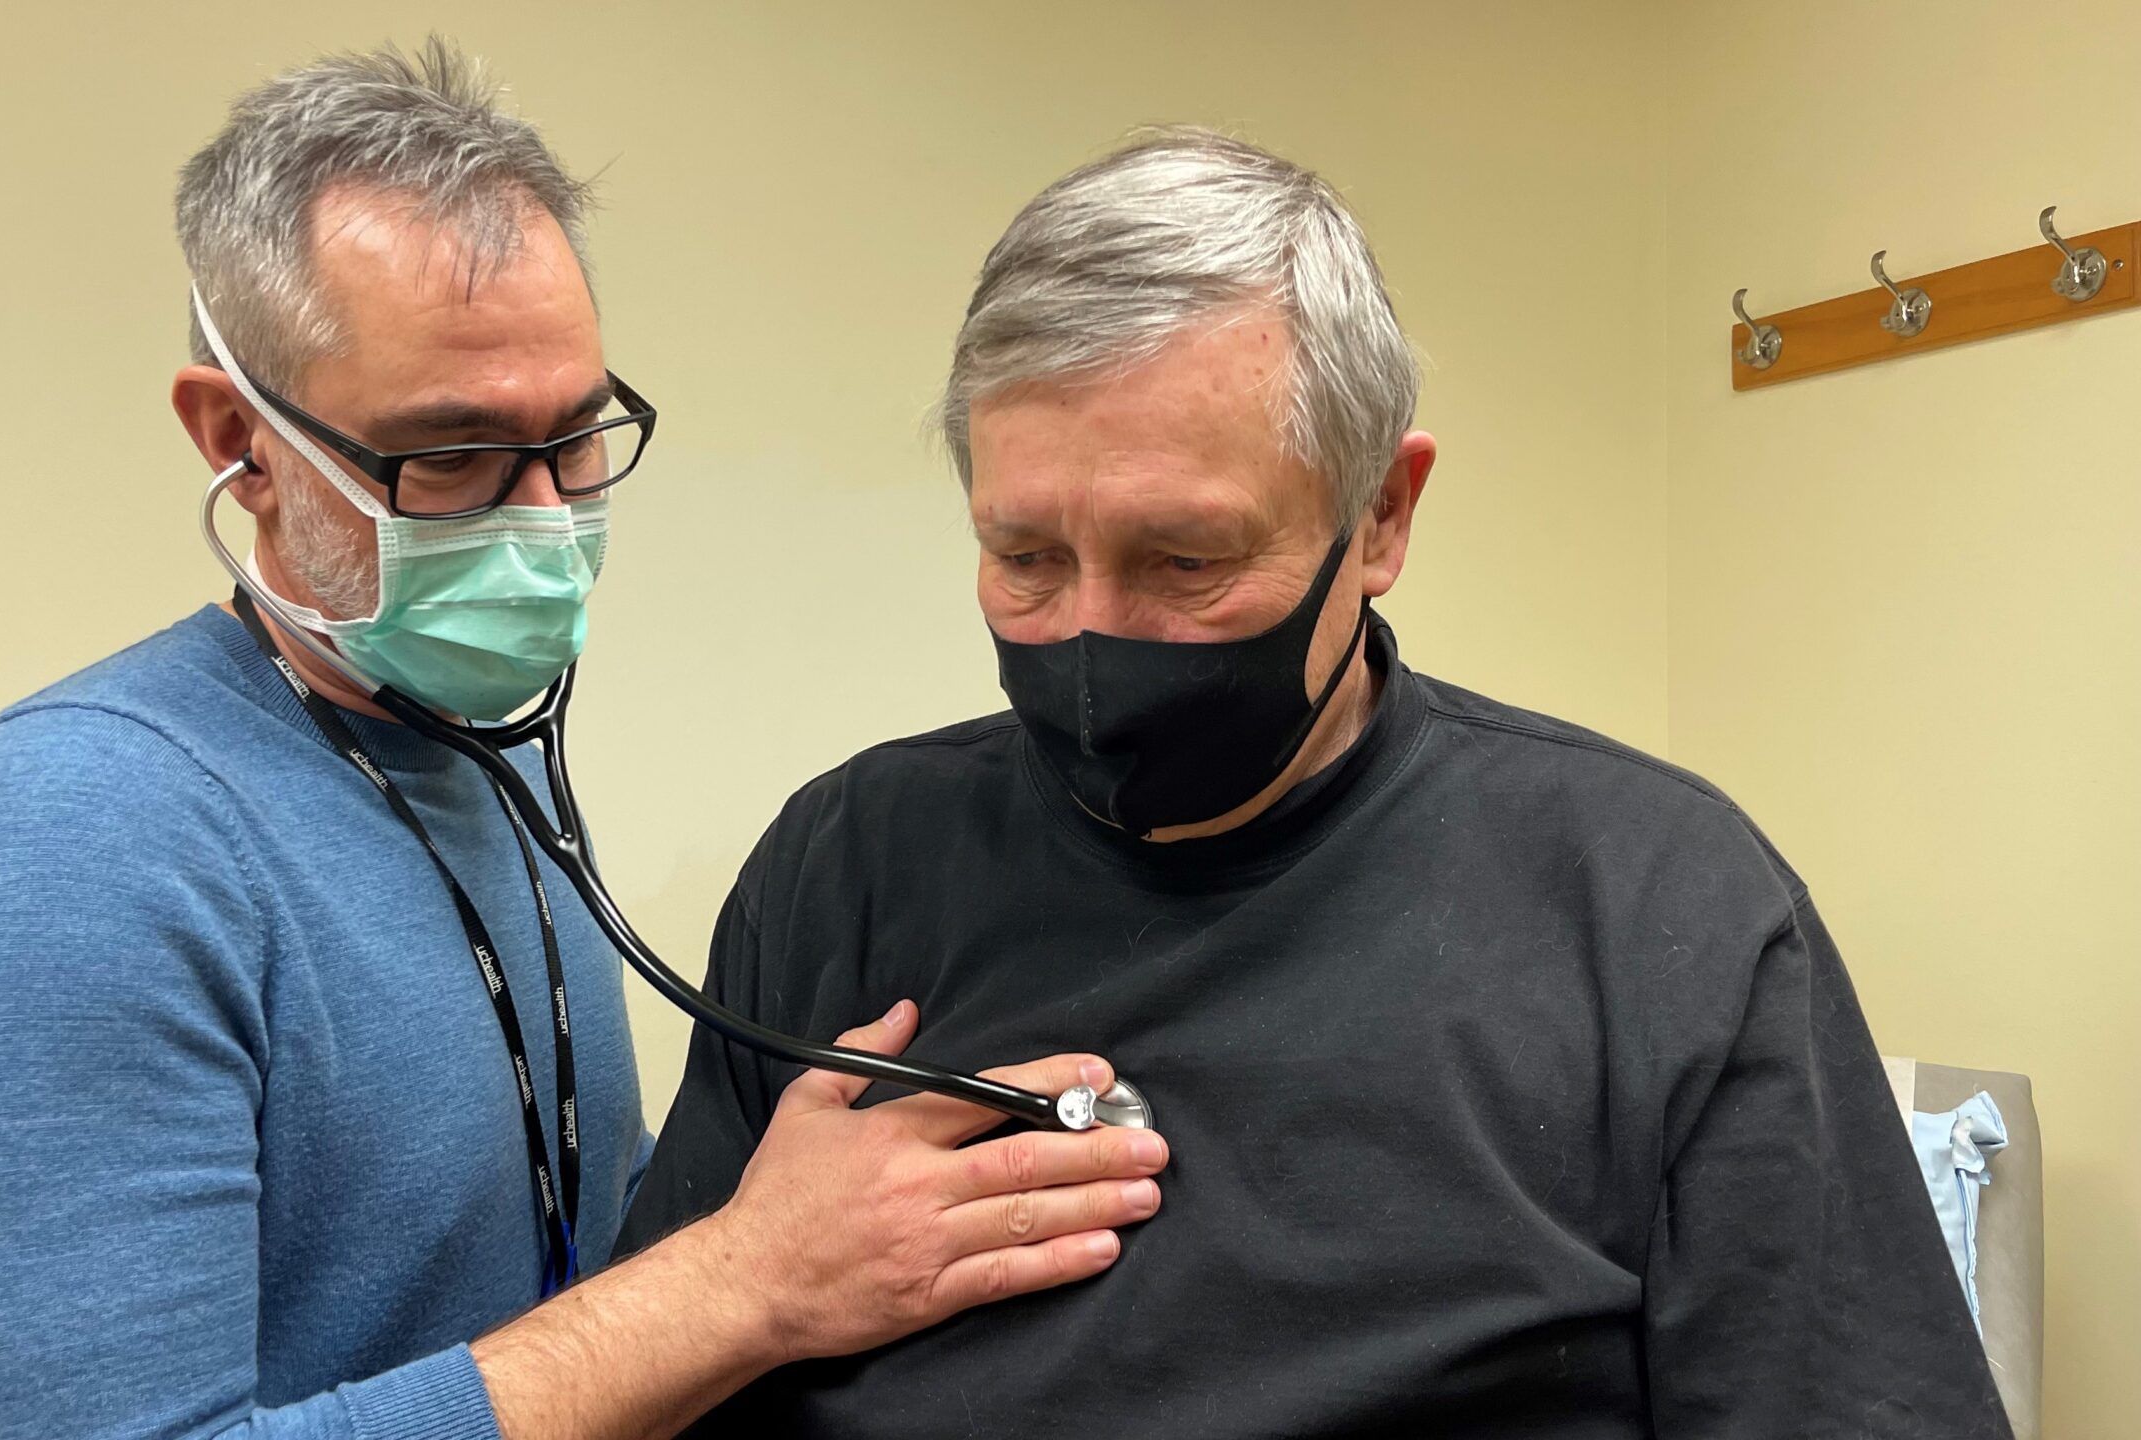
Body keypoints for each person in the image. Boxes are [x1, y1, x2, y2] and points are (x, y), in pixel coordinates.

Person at [618, 130, 2013, 1439]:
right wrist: (748, 1282)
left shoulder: (1665, 911)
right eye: (1026, 557)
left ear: (1383, 517)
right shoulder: (846, 865)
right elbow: (665, 1372)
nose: (1093, 640)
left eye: (1186, 562)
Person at [0, 40, 1168, 1440]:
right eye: (453, 459)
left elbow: (565, 1253)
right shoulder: (78, 834)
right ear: (237, 440)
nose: (544, 521)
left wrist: (813, 1209)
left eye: (578, 437)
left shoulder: (487, 748)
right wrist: (743, 1279)